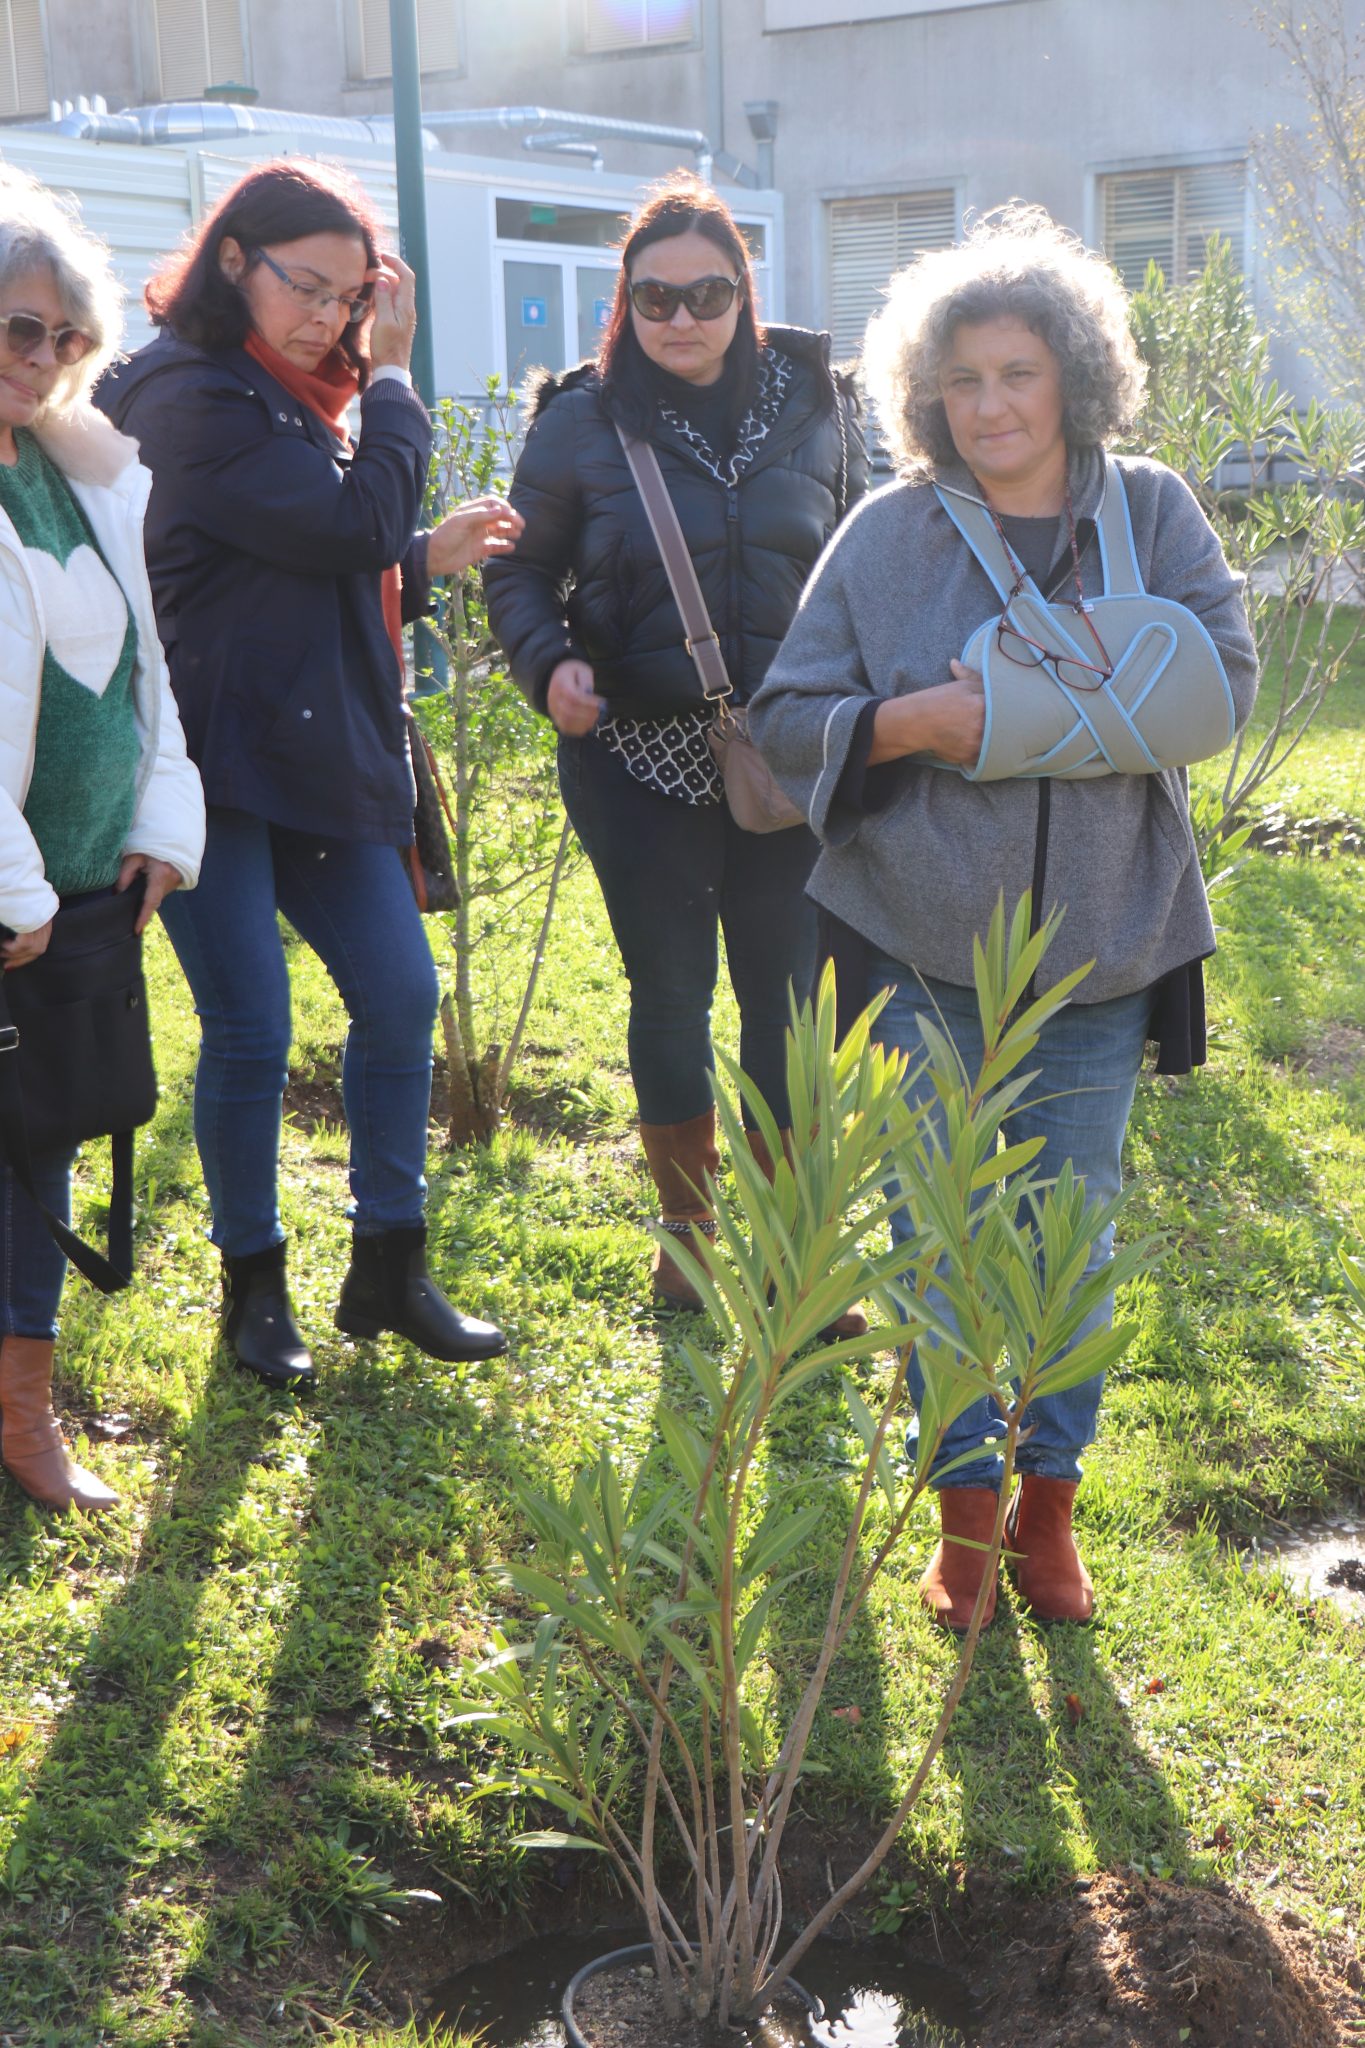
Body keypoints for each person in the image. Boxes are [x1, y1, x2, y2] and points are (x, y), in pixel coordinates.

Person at [750, 207, 1258, 1626]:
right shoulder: (888, 533)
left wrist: (1057, 713)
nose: (989, 406)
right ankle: (963, 1516)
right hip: (921, 942)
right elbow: (788, 719)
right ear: (927, 393)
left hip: (1105, 947)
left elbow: (1222, 680)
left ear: (1073, 377)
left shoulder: (1151, 510)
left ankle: (1050, 1508)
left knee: (1067, 1242)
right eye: (961, 379)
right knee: (940, 1232)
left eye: (1018, 374)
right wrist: (912, 723)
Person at [96, 160, 522, 1389]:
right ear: (234, 261)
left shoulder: (292, 397)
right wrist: (394, 377)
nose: (332, 319)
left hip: (318, 752)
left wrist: (418, 557)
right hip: (211, 763)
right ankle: (254, 1283)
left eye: (353, 297)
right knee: (251, 1025)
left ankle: (390, 1266)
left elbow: (302, 563)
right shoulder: (187, 393)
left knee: (400, 994)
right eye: (310, 288)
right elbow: (341, 528)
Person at [485, 172, 868, 1310]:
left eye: (708, 294)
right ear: (626, 303)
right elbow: (517, 568)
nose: (682, 319)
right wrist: (547, 664)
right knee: (670, 994)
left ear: (745, 293)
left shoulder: (825, 404)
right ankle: (689, 1239)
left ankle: (792, 1246)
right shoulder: (580, 419)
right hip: (634, 759)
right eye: (655, 299)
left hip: (789, 753)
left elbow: (875, 554)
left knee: (787, 999)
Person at [0, 169, 205, 1512]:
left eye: (66, 335)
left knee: (45, 1140)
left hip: (76, 902)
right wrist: (12, 891)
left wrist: (160, 825)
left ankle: (22, 1416)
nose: (44, 355)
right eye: (19, 327)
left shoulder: (82, 471)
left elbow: (149, 678)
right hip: (19, 904)